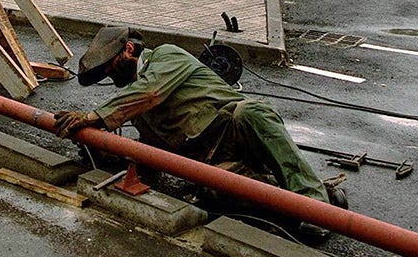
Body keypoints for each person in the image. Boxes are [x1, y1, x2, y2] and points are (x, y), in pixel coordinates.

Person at [54, 27, 346, 241]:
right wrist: (107, 150)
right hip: (208, 158)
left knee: (253, 114)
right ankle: (311, 196)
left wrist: (94, 117)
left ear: (129, 50)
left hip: (232, 129)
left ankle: (315, 206)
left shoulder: (165, 57)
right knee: (216, 192)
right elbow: (153, 152)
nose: (110, 76)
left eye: (109, 67)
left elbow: (150, 91)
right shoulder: (135, 107)